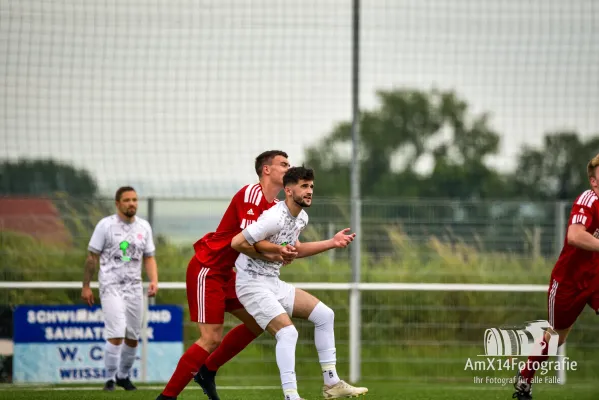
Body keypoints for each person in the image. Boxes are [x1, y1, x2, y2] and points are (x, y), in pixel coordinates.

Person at [156, 150, 295, 400]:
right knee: (210, 338)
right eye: (283, 164)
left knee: (256, 321)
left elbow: (267, 246)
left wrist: (283, 253)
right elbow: (243, 243)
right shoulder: (250, 194)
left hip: (229, 275)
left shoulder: (276, 207)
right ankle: (166, 397)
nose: (289, 167)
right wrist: (275, 253)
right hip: (207, 269)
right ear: (266, 170)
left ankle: (207, 371)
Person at [231, 166, 369, 400]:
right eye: (304, 186)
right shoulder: (273, 216)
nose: (309, 191)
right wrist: (275, 253)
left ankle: (332, 383)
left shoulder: (301, 218)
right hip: (251, 284)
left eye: (311, 186)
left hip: (272, 282)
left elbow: (294, 249)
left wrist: (332, 242)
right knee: (288, 333)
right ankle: (291, 395)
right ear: (288, 190)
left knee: (325, 315)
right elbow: (237, 243)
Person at [512, 154, 599, 400]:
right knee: (556, 339)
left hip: (596, 277)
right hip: (568, 282)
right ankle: (525, 378)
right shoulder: (588, 200)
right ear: (594, 182)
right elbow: (574, 235)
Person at [81, 186, 159, 391]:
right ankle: (109, 379)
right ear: (117, 204)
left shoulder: (144, 227)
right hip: (111, 284)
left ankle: (123, 376)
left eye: (134, 200)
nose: (132, 203)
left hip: (134, 287)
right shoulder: (105, 226)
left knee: (133, 335)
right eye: (127, 200)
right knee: (116, 331)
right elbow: (92, 257)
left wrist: (154, 280)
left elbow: (149, 257)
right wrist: (86, 286)